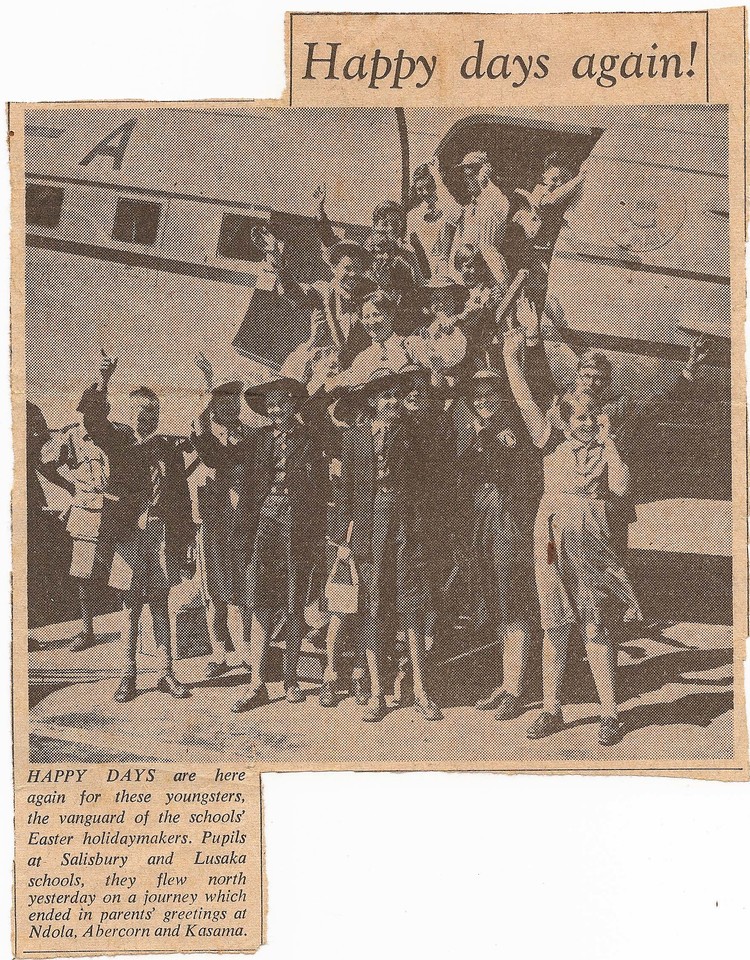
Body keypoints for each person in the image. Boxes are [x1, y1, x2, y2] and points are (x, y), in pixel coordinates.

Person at [502, 326, 642, 746]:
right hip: (550, 533)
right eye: (579, 414)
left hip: (592, 531)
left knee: (596, 623)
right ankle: (552, 708)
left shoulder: (606, 447)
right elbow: (524, 397)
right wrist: (510, 358)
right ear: (565, 415)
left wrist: (608, 441)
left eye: (592, 414)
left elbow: (622, 488)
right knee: (554, 621)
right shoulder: (549, 438)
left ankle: (610, 713)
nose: (586, 420)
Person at [79, 351, 195, 704]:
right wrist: (104, 379)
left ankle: (165, 672)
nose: (147, 420)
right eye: (141, 414)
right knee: (131, 603)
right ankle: (127, 673)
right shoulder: (118, 441)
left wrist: (185, 538)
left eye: (153, 415)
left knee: (160, 601)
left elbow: (181, 497)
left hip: (160, 534)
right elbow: (93, 420)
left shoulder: (168, 448)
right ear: (130, 415)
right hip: (128, 533)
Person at [332, 367, 442, 722]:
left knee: (412, 605)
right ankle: (377, 691)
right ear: (373, 401)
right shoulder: (354, 438)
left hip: (407, 526)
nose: (393, 401)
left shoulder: (415, 433)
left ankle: (421, 690)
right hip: (369, 529)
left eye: (397, 395)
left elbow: (428, 481)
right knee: (373, 607)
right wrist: (343, 539)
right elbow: (345, 493)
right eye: (385, 396)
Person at [231, 376, 327, 713]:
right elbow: (247, 488)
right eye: (270, 405)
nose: (276, 410)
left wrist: (316, 533)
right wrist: (244, 535)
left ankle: (290, 679)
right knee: (260, 600)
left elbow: (321, 489)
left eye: (282, 403)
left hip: (298, 522)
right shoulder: (257, 439)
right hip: (265, 518)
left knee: (294, 600)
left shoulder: (309, 438)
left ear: (293, 405)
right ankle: (256, 682)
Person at [453, 363, 543, 720]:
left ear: (502, 396)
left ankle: (515, 689)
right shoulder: (475, 429)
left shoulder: (512, 429)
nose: (483, 401)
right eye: (477, 396)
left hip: (509, 521)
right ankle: (507, 683)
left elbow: (512, 469)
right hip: (483, 520)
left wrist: (488, 435)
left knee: (514, 602)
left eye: (490, 394)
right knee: (496, 601)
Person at [191, 354, 252, 680]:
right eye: (221, 400)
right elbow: (208, 446)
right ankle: (219, 653)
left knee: (244, 590)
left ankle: (246, 650)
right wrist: (207, 381)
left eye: (233, 398)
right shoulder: (205, 436)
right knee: (215, 593)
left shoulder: (254, 436)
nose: (229, 405)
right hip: (214, 524)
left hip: (244, 524)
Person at [325, 287, 467, 393]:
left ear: (391, 314)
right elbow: (346, 381)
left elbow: (448, 358)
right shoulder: (363, 358)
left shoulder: (410, 345)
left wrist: (449, 332)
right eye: (366, 317)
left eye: (376, 315)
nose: (371, 322)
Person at [280, 241, 375, 393]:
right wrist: (280, 267)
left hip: (351, 368)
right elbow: (297, 295)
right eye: (347, 268)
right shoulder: (323, 291)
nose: (353, 274)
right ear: (334, 268)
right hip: (321, 361)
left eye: (358, 269)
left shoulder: (368, 298)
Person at [448, 151, 511, 290]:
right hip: (470, 276)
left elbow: (501, 207)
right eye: (465, 176)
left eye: (471, 175)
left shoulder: (496, 200)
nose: (467, 180)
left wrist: (485, 183)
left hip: (492, 273)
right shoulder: (467, 209)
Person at [406, 160, 461, 280]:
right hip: (426, 274)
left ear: (435, 184)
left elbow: (455, 214)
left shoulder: (450, 208)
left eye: (429, 186)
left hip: (450, 271)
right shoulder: (413, 216)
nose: (425, 192)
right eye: (420, 189)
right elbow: (413, 249)